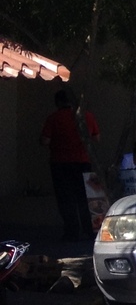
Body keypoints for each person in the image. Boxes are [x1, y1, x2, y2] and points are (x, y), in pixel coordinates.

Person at [41, 88, 98, 245]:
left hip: (61, 163)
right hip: (83, 162)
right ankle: (90, 230)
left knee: (66, 199)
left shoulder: (54, 118)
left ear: (58, 102)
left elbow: (45, 140)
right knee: (85, 198)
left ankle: (72, 232)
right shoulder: (87, 116)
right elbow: (96, 138)